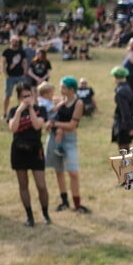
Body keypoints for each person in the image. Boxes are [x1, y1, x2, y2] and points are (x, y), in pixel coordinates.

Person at [7, 82, 51, 226]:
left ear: (33, 95)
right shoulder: (14, 110)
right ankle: (29, 216)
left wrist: (31, 108)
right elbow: (13, 128)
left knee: (41, 185)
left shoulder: (41, 109)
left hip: (35, 150)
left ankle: (45, 214)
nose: (26, 99)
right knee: (23, 184)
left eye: (29, 95)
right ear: (18, 97)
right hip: (19, 150)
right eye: (23, 96)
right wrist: (20, 110)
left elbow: (38, 125)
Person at [46, 76, 88, 213]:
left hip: (69, 139)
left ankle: (77, 204)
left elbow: (72, 125)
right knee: (59, 171)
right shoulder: (61, 101)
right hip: (55, 137)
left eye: (63, 87)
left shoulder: (78, 103)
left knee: (73, 172)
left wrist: (54, 124)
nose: (60, 89)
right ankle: (64, 201)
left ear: (71, 90)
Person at [1, 36, 28, 118]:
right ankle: (5, 113)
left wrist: (24, 72)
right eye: (13, 41)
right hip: (10, 77)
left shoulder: (21, 51)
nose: (15, 42)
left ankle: (22, 112)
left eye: (16, 41)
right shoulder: (6, 51)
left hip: (20, 76)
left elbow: (24, 62)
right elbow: (3, 63)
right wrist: (6, 74)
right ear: (10, 41)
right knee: (7, 95)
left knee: (22, 95)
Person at [111, 66, 133, 150]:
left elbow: (125, 111)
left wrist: (129, 127)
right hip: (128, 121)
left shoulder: (120, 91)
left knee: (123, 150)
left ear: (115, 77)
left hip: (123, 124)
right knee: (126, 147)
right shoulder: (127, 87)